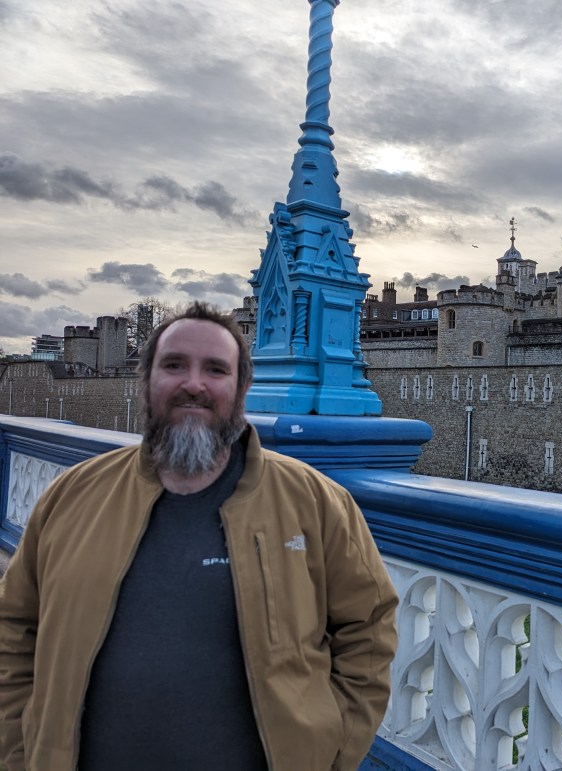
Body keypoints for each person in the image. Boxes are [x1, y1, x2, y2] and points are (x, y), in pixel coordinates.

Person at [0, 302, 398, 770]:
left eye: (215, 369)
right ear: (145, 381)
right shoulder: (72, 496)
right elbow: (13, 630)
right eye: (174, 365)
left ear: (241, 389)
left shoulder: (317, 503)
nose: (194, 384)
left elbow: (369, 630)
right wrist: (18, 753)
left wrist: (331, 753)